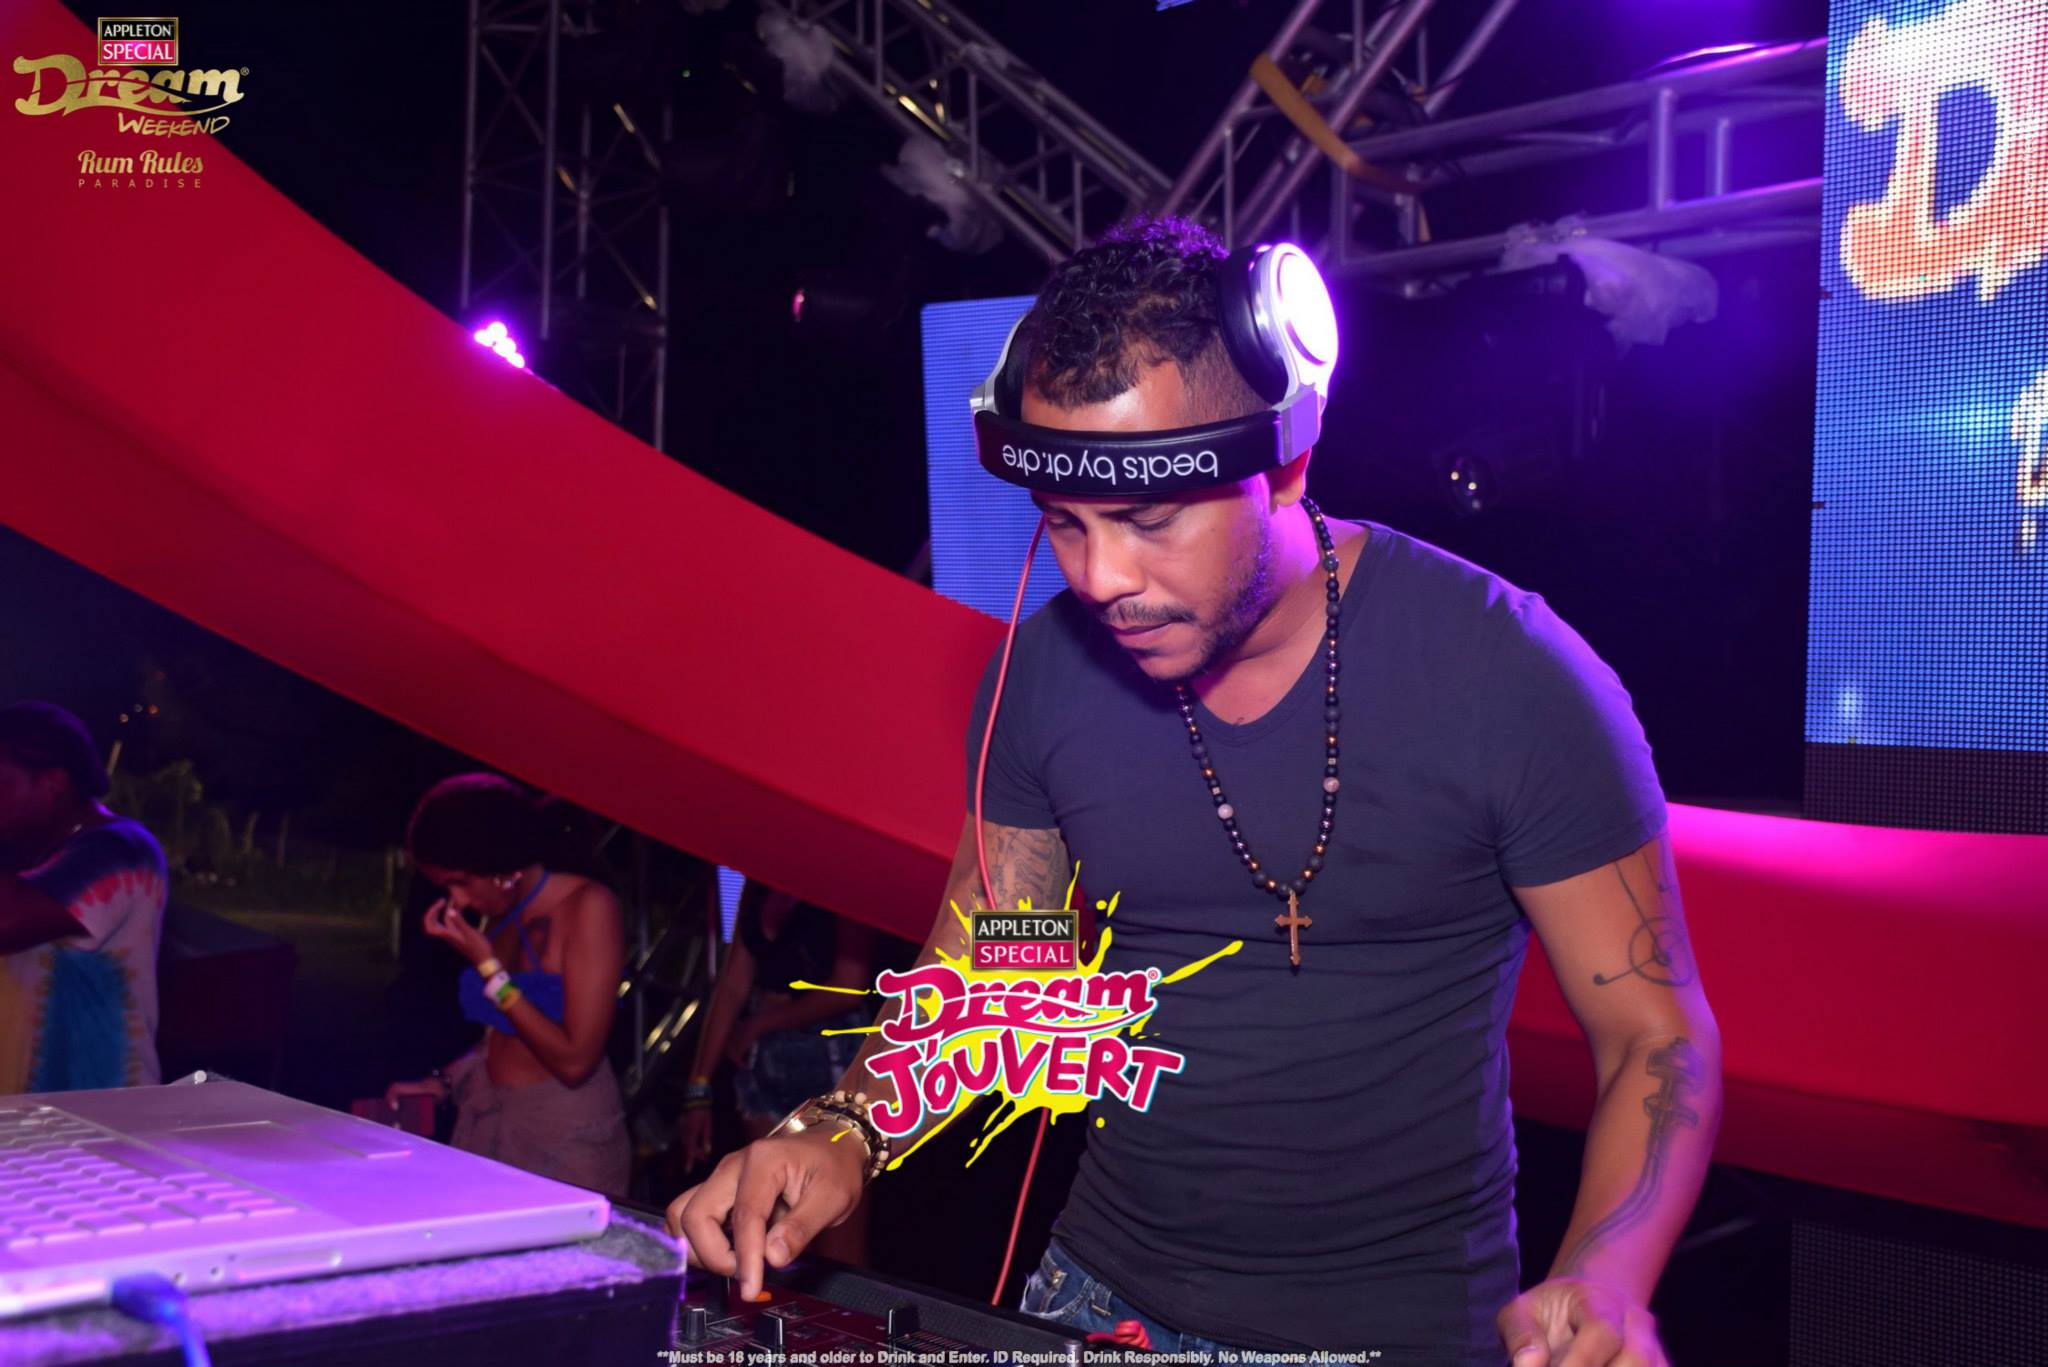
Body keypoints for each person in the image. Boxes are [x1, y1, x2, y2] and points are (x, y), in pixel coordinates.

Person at [665, 216, 1721, 1367]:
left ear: (1286, 463)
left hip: (1396, 1335)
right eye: (1063, 524)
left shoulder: (1510, 676)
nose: (1100, 577)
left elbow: (1650, 1034)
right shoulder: (1041, 677)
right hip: (1097, 1296)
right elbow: (995, 969)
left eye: (1149, 520)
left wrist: (1605, 1272)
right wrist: (840, 1126)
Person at [384, 774, 630, 1198]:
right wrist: (443, 1083)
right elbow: (504, 1035)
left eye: (460, 882)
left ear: (498, 866)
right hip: (492, 1117)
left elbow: (575, 1061)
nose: (457, 901)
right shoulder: (502, 917)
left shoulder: (588, 907)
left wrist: (490, 971)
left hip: (565, 1135)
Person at [677, 878, 878, 1264]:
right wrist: (698, 1086)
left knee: (835, 1243)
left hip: (830, 1057)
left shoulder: (848, 879)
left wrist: (761, 1023)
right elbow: (732, 984)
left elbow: (850, 985)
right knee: (763, 1224)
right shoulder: (758, 882)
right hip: (763, 1061)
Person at [0, 700, 168, 1094]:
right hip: (33, 1112)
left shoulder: (119, 849)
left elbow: (6, 922)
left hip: (98, 1111)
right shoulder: (33, 850)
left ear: (52, 783)